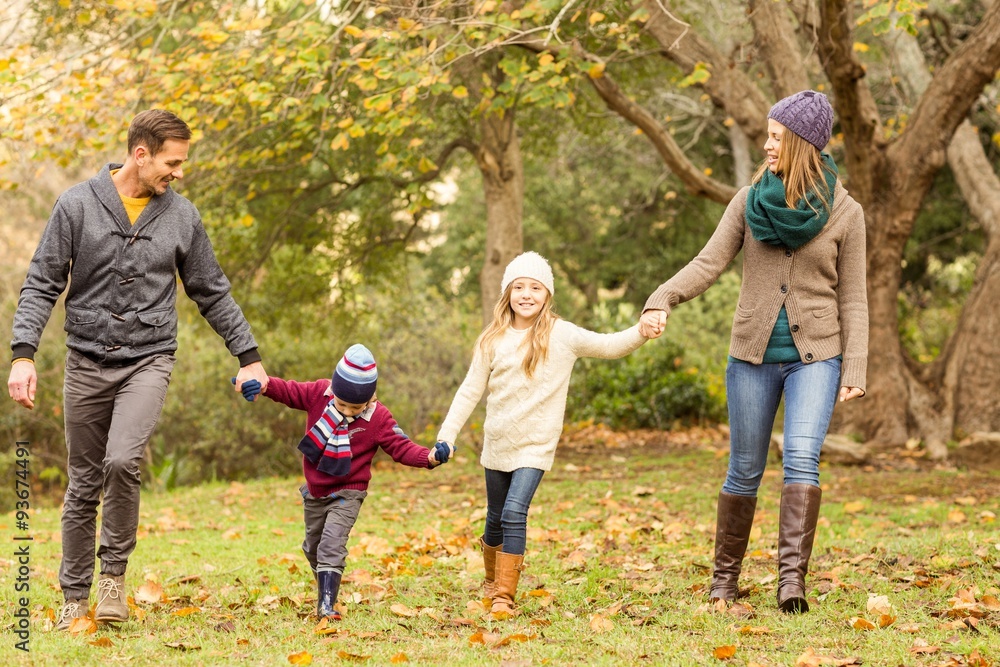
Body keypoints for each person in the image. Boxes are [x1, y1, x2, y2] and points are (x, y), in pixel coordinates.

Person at [7, 109, 269, 629]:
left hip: (148, 358)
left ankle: (113, 579)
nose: (179, 172)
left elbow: (210, 291)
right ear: (141, 154)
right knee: (83, 482)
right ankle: (74, 596)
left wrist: (249, 355)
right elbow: (41, 283)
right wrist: (22, 354)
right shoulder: (77, 205)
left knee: (123, 460)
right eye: (173, 162)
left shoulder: (181, 216)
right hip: (85, 360)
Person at [639, 90, 868, 613]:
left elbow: (853, 296)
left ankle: (792, 584)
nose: (767, 145)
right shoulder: (746, 202)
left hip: (817, 357)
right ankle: (725, 581)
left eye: (776, 137)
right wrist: (662, 297)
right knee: (744, 467)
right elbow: (707, 263)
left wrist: (855, 364)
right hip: (751, 357)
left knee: (802, 459)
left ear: (803, 144)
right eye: (767, 135)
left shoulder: (846, 213)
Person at [436, 251, 650, 618]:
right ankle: (491, 580)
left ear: (547, 294)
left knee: (515, 512)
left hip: (536, 445)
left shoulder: (562, 335)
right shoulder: (492, 339)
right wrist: (447, 435)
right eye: (518, 286)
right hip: (499, 441)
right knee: (495, 516)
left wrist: (642, 331)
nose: (526, 294)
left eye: (535, 287)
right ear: (507, 293)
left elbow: (609, 345)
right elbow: (470, 390)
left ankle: (504, 594)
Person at [254, 344, 453, 621]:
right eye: (341, 403)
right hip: (315, 491)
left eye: (355, 406)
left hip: (349, 492)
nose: (347, 412)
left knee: (331, 545)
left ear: (371, 398)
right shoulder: (318, 394)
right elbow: (288, 391)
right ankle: (326, 584)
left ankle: (326, 606)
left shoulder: (378, 417)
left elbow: (401, 446)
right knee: (312, 547)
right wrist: (263, 385)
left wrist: (429, 457)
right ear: (333, 391)